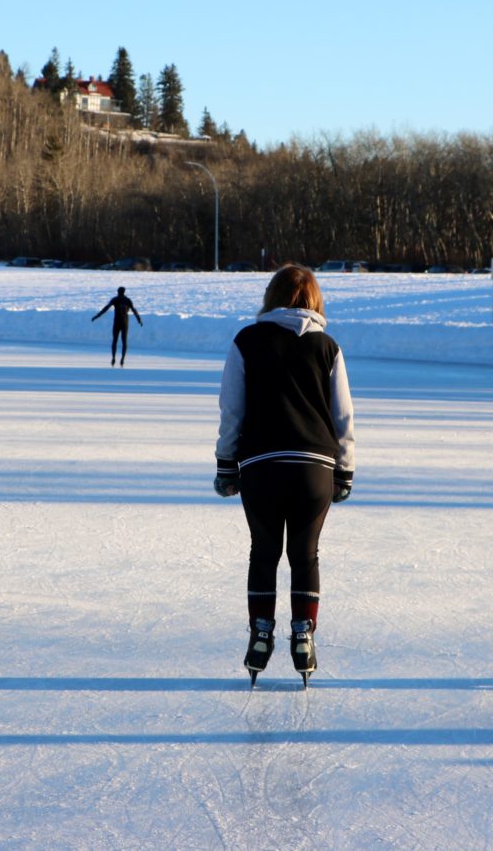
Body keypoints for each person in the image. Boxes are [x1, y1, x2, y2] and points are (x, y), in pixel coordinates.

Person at [214, 264, 355, 684]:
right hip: (315, 469)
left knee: (264, 551)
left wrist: (226, 464)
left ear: (271, 296)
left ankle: (261, 631)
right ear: (314, 300)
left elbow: (231, 408)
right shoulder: (327, 347)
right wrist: (344, 471)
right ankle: (303, 634)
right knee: (304, 554)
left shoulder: (247, 341)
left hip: (261, 466)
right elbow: (343, 415)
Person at [91, 286, 143, 367]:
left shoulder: (115, 299)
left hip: (117, 322)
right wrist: (139, 319)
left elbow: (106, 308)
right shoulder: (127, 300)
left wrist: (97, 316)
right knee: (124, 341)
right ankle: (122, 359)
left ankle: (113, 358)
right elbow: (134, 310)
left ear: (118, 292)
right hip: (125, 322)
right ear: (124, 292)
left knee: (115, 340)